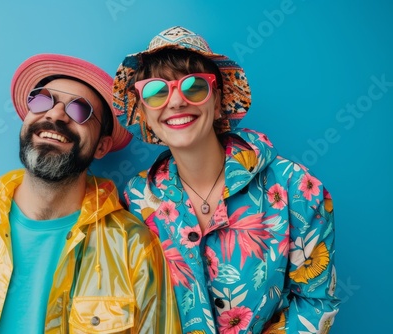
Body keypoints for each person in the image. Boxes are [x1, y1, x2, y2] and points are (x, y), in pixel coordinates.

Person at [0, 54, 181, 333]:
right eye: (42, 100)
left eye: (80, 110)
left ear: (102, 147)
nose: (55, 114)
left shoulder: (133, 247)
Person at [112, 26, 340, 333]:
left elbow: (316, 302)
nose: (176, 102)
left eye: (194, 87)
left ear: (218, 101)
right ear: (144, 112)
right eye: (156, 91)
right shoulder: (136, 199)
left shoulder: (296, 187)